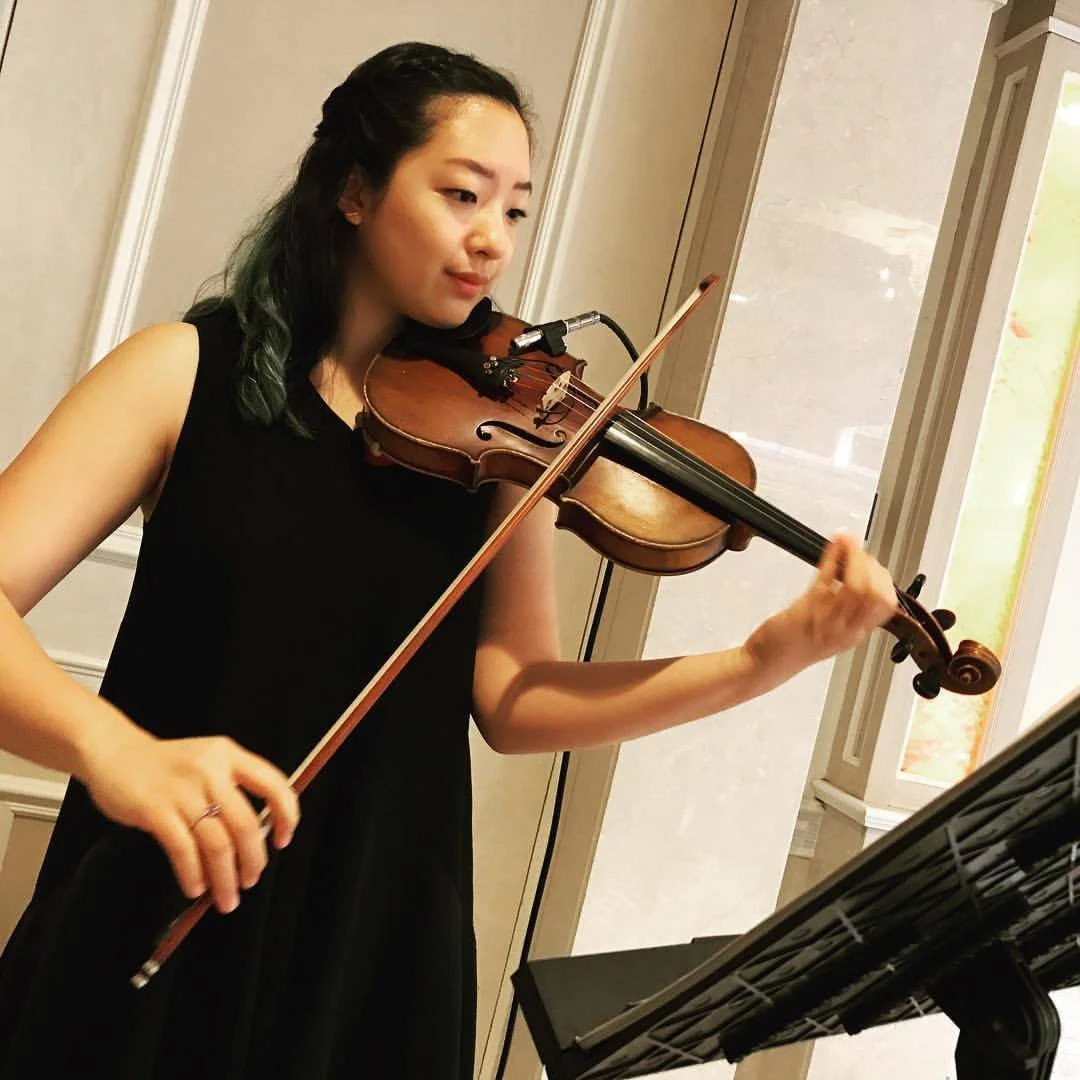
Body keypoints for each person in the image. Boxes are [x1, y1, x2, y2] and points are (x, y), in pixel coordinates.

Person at [0, 41, 896, 1080]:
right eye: (464, 195)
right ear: (353, 189)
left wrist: (759, 662)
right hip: (166, 890)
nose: (492, 241)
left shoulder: (494, 443)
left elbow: (515, 698)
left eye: (514, 210)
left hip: (379, 935)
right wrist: (117, 754)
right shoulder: (181, 374)